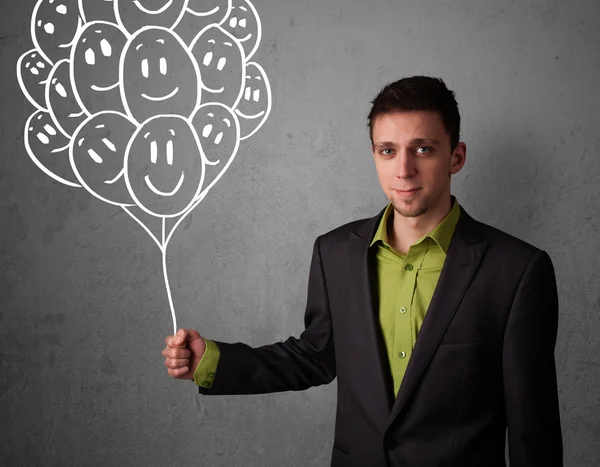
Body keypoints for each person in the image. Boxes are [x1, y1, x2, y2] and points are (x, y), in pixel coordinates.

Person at [162, 76, 563, 467]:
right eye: (387, 151)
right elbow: (315, 356)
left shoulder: (517, 271)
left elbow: (533, 429)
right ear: (373, 154)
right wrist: (212, 361)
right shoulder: (334, 253)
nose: (403, 170)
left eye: (422, 149)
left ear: (456, 156)